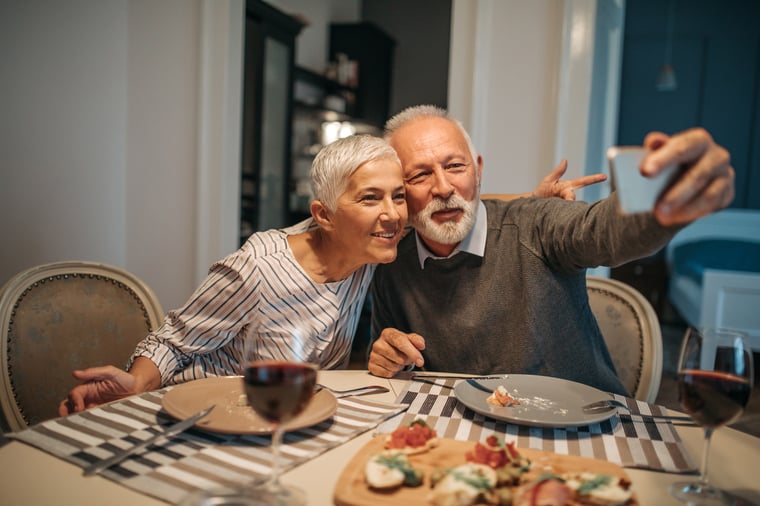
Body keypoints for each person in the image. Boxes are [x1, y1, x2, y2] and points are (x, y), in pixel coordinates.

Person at [59, 133, 604, 416]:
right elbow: (175, 339)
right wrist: (137, 383)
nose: (392, 213)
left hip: (289, 419)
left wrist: (526, 203)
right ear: (323, 215)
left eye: (396, 196)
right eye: (371, 198)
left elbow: (442, 205)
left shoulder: (377, 244)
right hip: (206, 417)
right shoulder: (259, 268)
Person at [367, 105, 734, 395]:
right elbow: (394, 363)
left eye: (455, 166)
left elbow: (604, 230)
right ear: (397, 190)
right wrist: (388, 358)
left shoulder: (536, 224)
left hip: (586, 430)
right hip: (466, 438)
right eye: (419, 176)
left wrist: (661, 201)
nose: (444, 187)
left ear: (478, 170)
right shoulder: (390, 263)